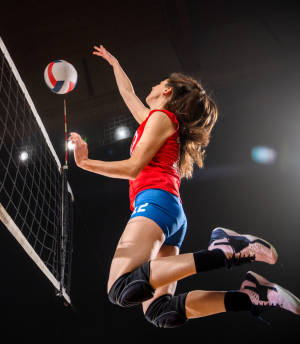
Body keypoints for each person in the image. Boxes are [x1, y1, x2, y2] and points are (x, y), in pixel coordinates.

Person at [68, 44, 300, 328]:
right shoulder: (156, 122)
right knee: (161, 312)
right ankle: (252, 296)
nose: (152, 86)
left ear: (166, 92)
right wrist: (115, 64)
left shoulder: (162, 119)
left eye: (159, 83)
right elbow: (128, 94)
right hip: (168, 211)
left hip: (155, 203)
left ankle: (227, 251)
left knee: (120, 287)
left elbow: (132, 168)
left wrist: (85, 162)